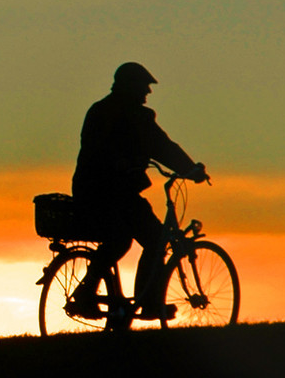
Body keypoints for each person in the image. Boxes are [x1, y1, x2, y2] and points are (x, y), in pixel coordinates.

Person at [68, 63, 208, 321]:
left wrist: (190, 169)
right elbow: (96, 147)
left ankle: (150, 301)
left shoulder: (134, 116)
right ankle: (87, 293)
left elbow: (163, 146)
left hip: (121, 192)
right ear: (129, 86)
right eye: (144, 86)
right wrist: (118, 162)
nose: (148, 92)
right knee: (122, 238)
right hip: (97, 191)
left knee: (154, 238)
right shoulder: (105, 113)